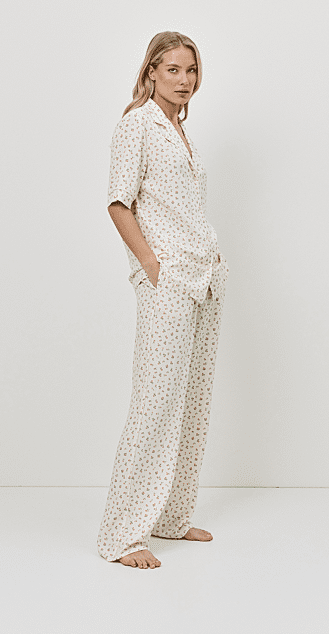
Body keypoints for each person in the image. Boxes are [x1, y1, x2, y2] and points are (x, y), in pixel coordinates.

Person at [97, 31, 229, 569]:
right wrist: (152, 265)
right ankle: (121, 536)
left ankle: (172, 516)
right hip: (169, 281)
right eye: (172, 69)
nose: (184, 80)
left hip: (205, 278)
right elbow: (118, 202)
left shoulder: (179, 130)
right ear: (151, 71)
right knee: (153, 407)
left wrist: (208, 259)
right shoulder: (137, 124)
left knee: (192, 404)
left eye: (191, 70)